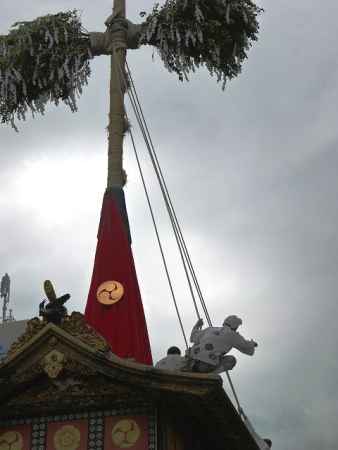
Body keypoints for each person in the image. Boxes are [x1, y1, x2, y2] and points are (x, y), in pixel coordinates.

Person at [187, 315, 258, 374]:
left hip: (191, 363)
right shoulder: (233, 335)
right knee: (231, 360)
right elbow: (245, 345)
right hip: (205, 367)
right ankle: (211, 374)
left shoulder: (210, 329)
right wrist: (253, 344)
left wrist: (197, 325)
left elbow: (193, 337)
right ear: (235, 327)